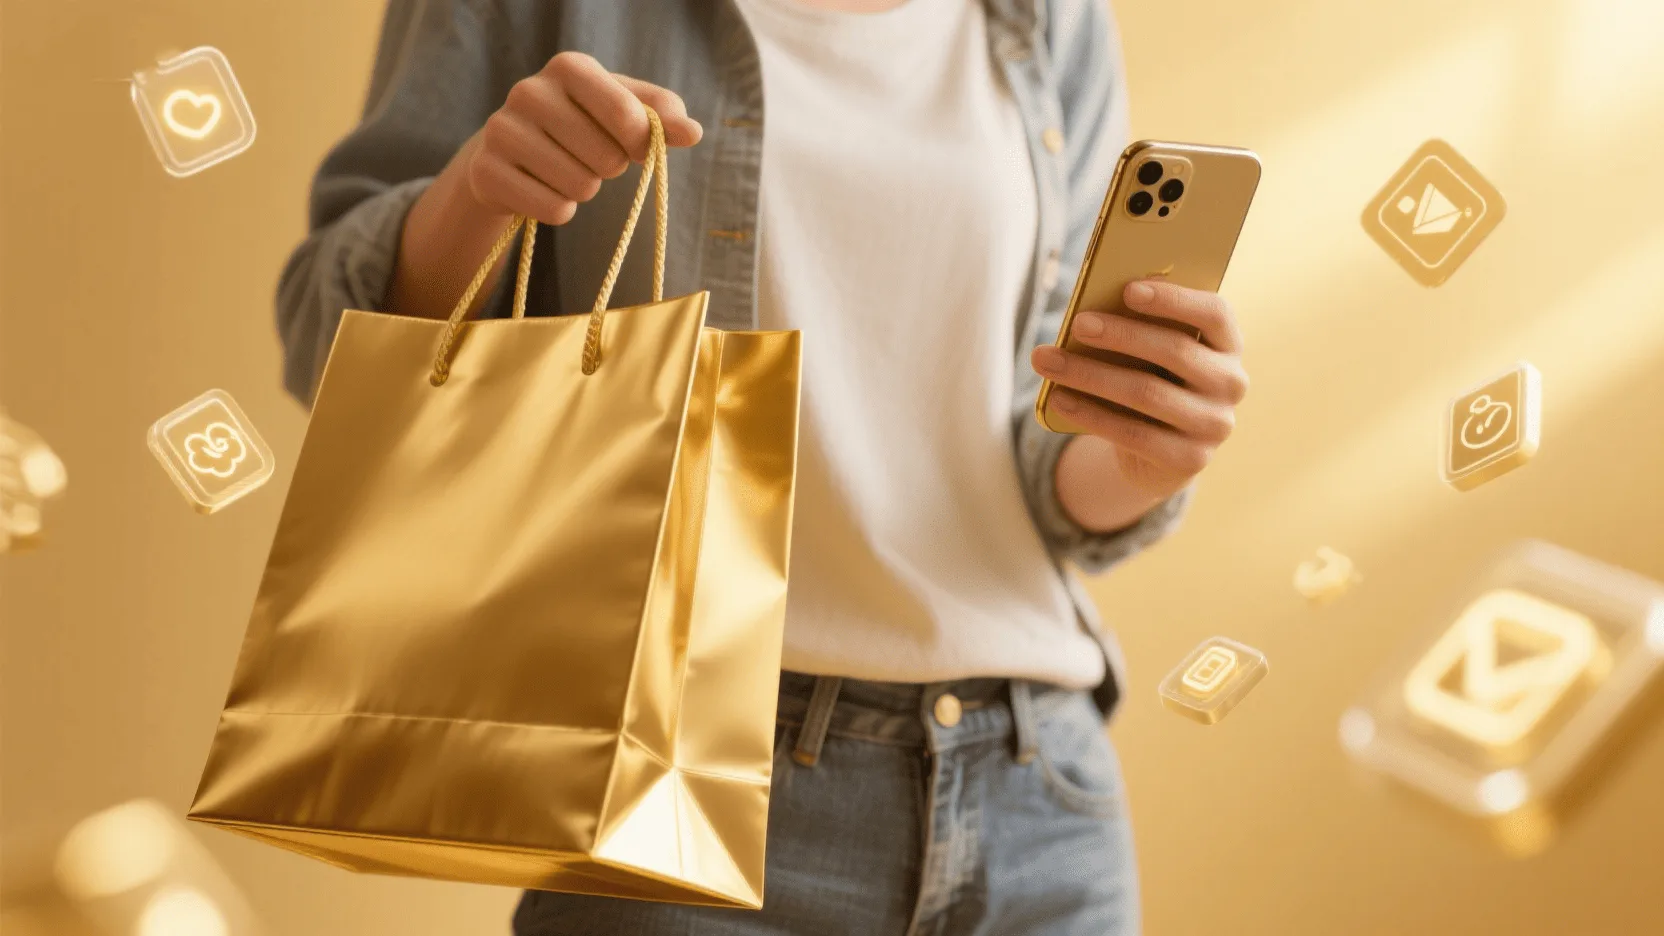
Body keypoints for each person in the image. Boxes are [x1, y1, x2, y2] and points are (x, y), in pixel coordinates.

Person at [276, 0, 1249, 932]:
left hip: (1037, 788)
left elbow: (1029, 445)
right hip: (679, 789)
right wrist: (478, 192)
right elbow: (331, 338)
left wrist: (1141, 453)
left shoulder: (1048, 13)